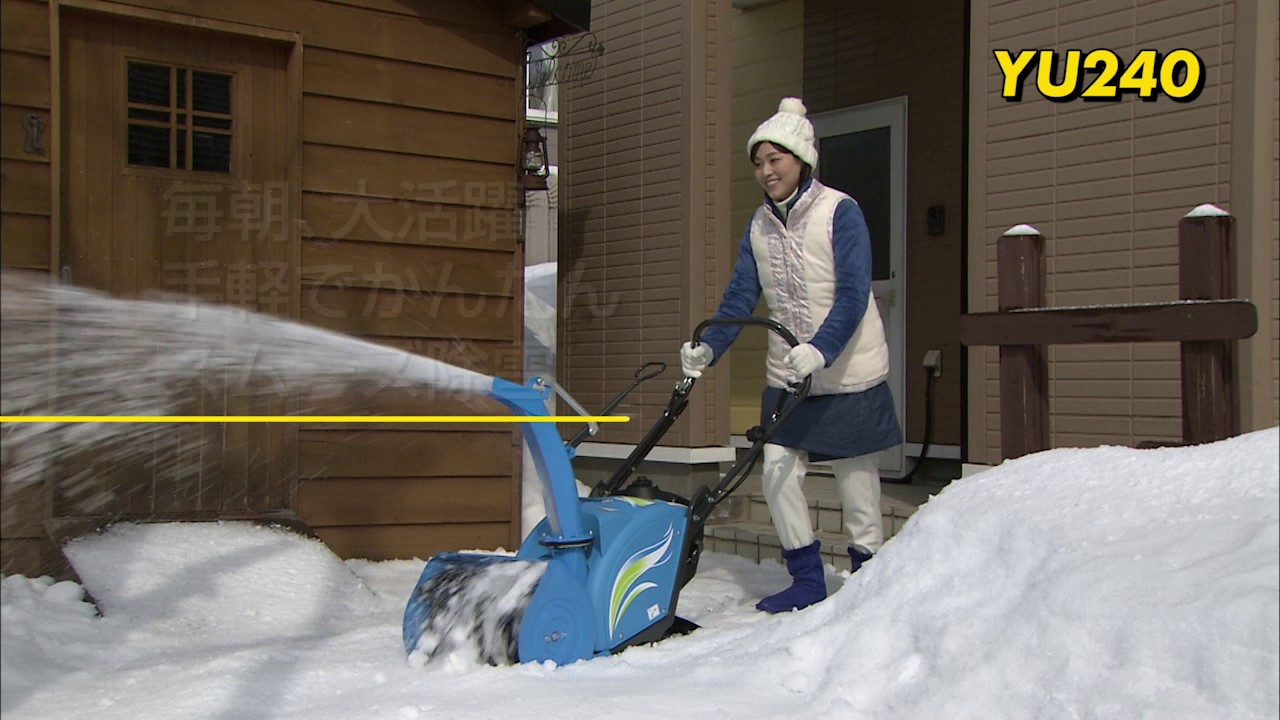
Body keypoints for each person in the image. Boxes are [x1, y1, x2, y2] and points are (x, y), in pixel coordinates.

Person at [680, 97, 903, 613]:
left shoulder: (839, 212)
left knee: (857, 484)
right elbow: (740, 297)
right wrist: (708, 348)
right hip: (787, 373)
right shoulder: (759, 226)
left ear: (802, 159)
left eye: (774, 160)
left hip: (846, 369)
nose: (765, 171)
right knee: (777, 469)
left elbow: (852, 293)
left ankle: (869, 580)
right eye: (758, 163)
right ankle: (806, 579)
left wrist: (821, 350)